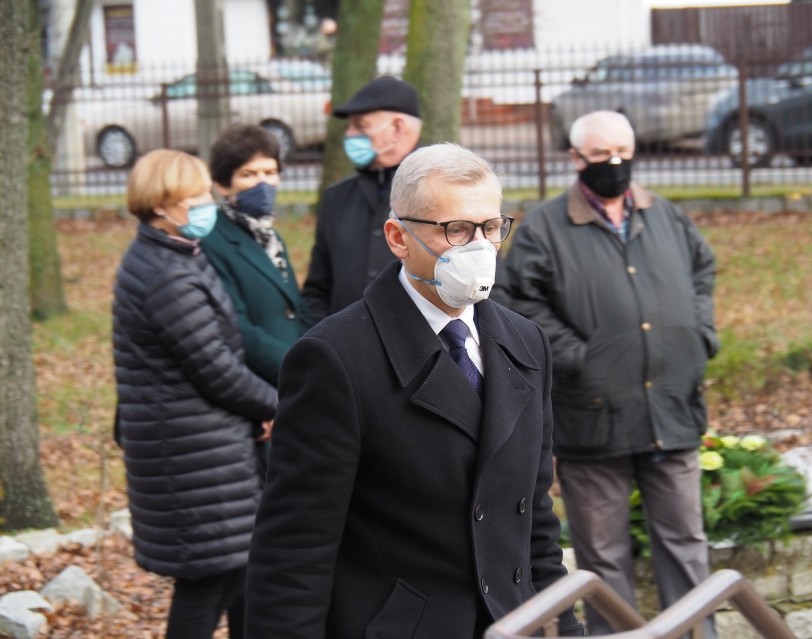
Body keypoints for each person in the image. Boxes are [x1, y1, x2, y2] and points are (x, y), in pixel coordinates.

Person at [245, 143, 585, 638]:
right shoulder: (336, 357)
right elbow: (295, 549)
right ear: (398, 238)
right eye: (455, 230)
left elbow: (532, 519)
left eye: (490, 228)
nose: (478, 247)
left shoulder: (525, 343)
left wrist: (562, 627)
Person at [497, 110, 719, 637]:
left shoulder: (664, 215)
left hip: (671, 409)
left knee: (686, 545)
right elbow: (516, 303)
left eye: (624, 150)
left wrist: (700, 334)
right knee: (603, 559)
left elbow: (702, 271)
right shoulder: (545, 229)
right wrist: (577, 356)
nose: (615, 163)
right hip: (593, 418)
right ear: (575, 159)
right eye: (601, 155)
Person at [112, 149, 277, 639]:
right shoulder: (166, 275)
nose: (208, 202)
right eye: (197, 196)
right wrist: (276, 405)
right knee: (209, 584)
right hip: (189, 454)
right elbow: (217, 370)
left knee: (243, 574)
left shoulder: (176, 253)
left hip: (203, 447)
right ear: (162, 204)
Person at [301, 75, 422, 321]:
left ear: (398, 128)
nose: (350, 134)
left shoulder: (445, 194)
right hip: (345, 351)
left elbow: (485, 287)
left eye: (361, 125)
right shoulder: (337, 198)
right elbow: (317, 288)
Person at [202, 124, 314, 389]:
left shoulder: (270, 237)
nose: (262, 183)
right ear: (222, 184)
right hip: (258, 382)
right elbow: (236, 327)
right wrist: (296, 371)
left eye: (270, 172)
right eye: (248, 174)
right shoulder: (212, 240)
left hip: (295, 378)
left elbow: (297, 309)